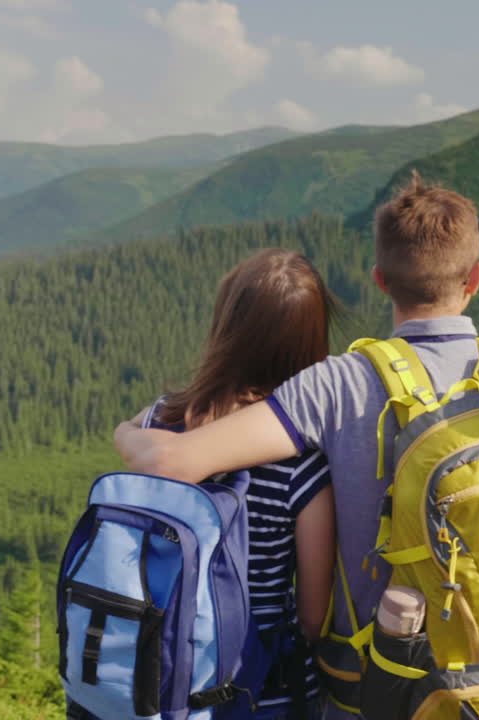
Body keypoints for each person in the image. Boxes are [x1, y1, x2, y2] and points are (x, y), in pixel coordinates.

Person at [115, 172, 479, 719]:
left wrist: (126, 429)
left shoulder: (336, 385)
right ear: (476, 278)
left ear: (379, 281)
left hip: (376, 692)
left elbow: (173, 460)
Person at [144, 247, 338, 719]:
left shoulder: (161, 420)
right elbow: (313, 618)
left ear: (227, 326)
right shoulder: (303, 464)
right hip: (258, 691)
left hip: (157, 677)